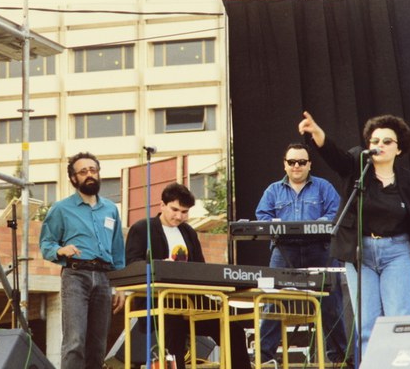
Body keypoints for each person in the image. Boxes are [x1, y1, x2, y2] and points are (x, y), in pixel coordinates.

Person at [298, 111, 410, 358]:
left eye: (386, 141)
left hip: (397, 252)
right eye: (375, 141)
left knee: (400, 317)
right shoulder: (358, 167)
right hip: (360, 253)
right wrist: (317, 133)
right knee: (367, 322)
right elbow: (335, 157)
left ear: (399, 149)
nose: (379, 145)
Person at [125, 183, 252, 369]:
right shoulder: (142, 228)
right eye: (174, 210)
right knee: (174, 328)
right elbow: (131, 264)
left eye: (184, 212)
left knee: (233, 329)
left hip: (192, 300)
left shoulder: (189, 232)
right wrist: (158, 266)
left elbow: (200, 267)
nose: (179, 216)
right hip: (159, 301)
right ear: (162, 205)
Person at [255, 143, 351, 366]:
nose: (296, 166)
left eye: (301, 162)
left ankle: (340, 359)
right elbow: (262, 216)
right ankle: (263, 358)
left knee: (330, 303)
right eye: (292, 162)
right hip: (284, 250)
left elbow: (337, 212)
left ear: (309, 164)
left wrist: (315, 225)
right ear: (285, 165)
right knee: (273, 301)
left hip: (321, 250)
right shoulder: (272, 191)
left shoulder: (323, 187)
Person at [39, 152, 126, 369]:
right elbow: (46, 244)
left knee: (98, 344)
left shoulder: (111, 209)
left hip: (105, 277)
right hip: (76, 276)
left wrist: (121, 287)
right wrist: (61, 250)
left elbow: (118, 251)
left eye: (93, 170)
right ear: (73, 178)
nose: (89, 175)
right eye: (83, 171)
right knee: (75, 339)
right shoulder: (61, 209)